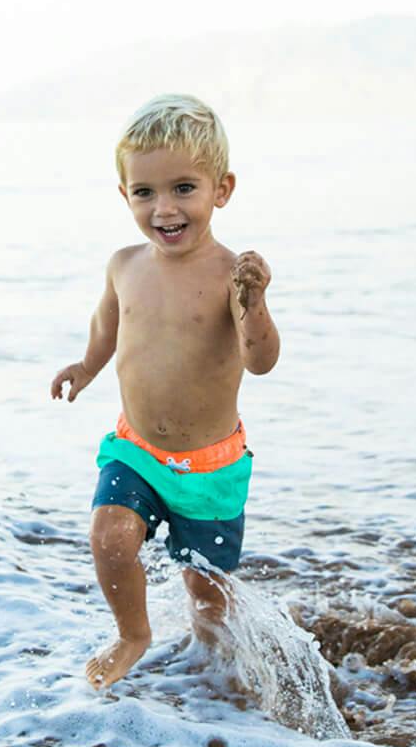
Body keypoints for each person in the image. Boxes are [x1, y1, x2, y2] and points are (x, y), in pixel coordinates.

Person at [50, 95, 279, 690]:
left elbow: (261, 362)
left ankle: (215, 669)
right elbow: (109, 330)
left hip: (211, 467)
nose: (165, 208)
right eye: (146, 192)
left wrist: (254, 305)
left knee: (208, 593)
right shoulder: (124, 265)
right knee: (110, 533)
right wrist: (85, 366)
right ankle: (134, 635)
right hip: (138, 448)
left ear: (221, 190)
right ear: (125, 195)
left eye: (183, 188)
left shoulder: (232, 273)